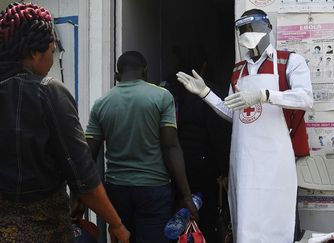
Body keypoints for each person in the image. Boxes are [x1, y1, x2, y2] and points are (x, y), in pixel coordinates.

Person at [176, 9, 313, 242]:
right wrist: (206, 93)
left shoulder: (288, 61)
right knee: (245, 222)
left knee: (276, 219)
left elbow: (305, 99)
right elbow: (233, 113)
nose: (248, 35)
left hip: (275, 160)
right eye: (243, 30)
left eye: (254, 28)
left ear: (267, 28)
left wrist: (265, 94)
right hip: (244, 160)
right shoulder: (238, 71)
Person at [0, 2, 129, 242]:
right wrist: (116, 224)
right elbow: (83, 174)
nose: (52, 56)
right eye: (52, 49)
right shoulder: (47, 91)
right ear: (34, 53)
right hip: (42, 230)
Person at [85, 51, 198, 243]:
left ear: (117, 73)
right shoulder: (162, 97)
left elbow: (88, 155)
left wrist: (81, 197)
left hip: (116, 190)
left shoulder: (101, 104)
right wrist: (186, 195)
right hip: (153, 189)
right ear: (145, 71)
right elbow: (170, 147)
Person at [163, 46, 231, 243]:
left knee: (175, 219)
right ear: (204, 66)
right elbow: (219, 134)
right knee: (206, 218)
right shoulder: (209, 92)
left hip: (171, 165)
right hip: (204, 166)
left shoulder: (166, 90)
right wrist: (225, 170)